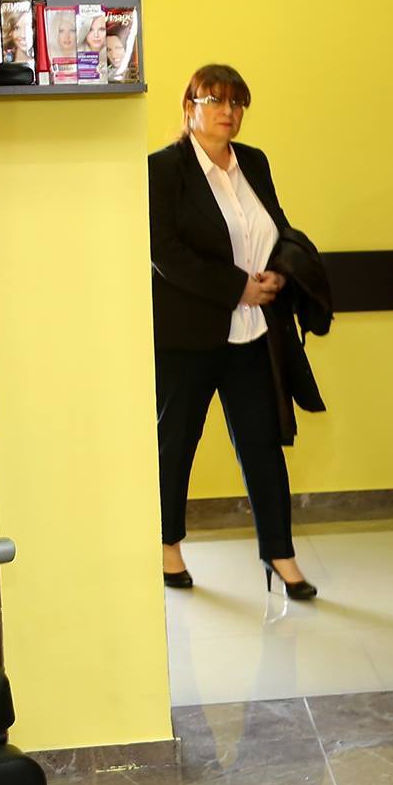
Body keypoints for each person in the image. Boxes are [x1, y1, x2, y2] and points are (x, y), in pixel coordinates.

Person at [150, 64, 317, 600]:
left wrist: (280, 274)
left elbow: (279, 228)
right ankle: (167, 545)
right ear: (189, 107)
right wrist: (235, 287)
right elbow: (164, 252)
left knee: (263, 445)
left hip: (253, 333)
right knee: (177, 442)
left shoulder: (255, 163)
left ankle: (280, 554)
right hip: (188, 335)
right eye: (215, 100)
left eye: (237, 102)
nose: (228, 112)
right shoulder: (163, 169)